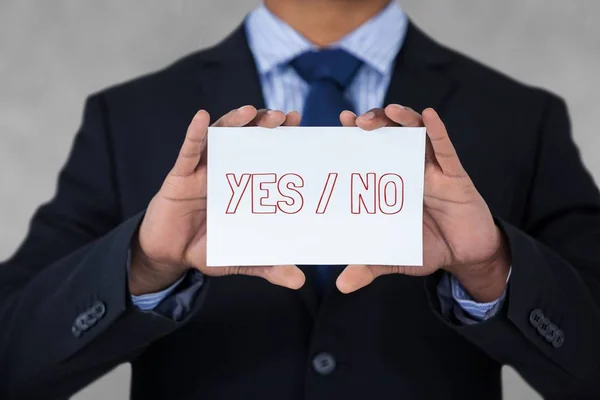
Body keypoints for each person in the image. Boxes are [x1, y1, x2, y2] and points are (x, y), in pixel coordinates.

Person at [1, 0, 600, 398]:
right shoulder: (128, 116)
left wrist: (494, 268)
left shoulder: (521, 117)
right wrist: (141, 265)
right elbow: (11, 358)